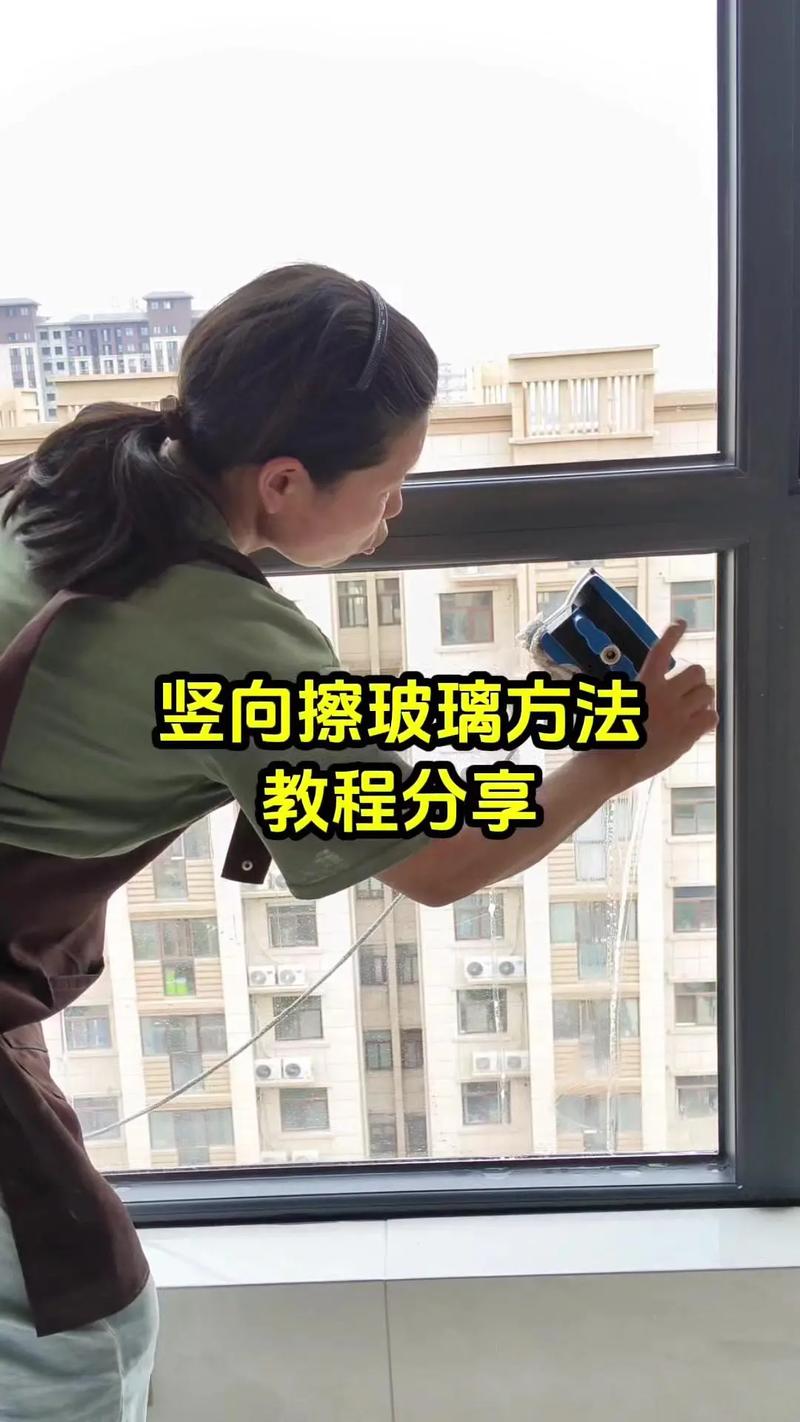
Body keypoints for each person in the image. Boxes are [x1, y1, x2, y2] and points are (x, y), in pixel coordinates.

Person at [0, 262, 717, 1419]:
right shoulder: (223, 631)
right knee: (79, 1347)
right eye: (390, 484)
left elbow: (278, 729)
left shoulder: (73, 479)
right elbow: (434, 862)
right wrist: (616, 761)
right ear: (284, 480)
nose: (398, 513)